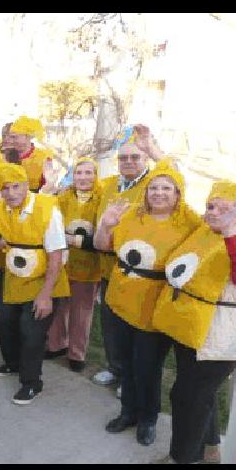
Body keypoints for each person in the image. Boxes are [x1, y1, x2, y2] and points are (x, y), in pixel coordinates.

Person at [94, 159, 201, 446]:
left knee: (147, 367)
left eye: (167, 188)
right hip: (120, 299)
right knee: (125, 363)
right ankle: (127, 412)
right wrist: (106, 225)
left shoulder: (191, 224)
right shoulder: (131, 216)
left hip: (154, 305)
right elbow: (102, 245)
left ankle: (148, 419)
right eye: (154, 187)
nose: (159, 192)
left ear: (178, 194)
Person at [151, 182, 236, 464]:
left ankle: (181, 458)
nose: (215, 213)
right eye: (211, 206)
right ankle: (209, 449)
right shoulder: (206, 233)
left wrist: (232, 230)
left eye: (225, 208)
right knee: (201, 396)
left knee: (187, 398)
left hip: (219, 340)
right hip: (190, 329)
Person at [0, 163, 70, 405]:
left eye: (16, 186)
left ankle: (32, 382)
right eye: (5, 188)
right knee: (4, 324)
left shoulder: (47, 208)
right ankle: (12, 364)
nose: (11, 192)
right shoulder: (0, 209)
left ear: (26, 186)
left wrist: (46, 295)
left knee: (32, 331)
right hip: (15, 276)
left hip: (45, 279)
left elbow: (56, 255)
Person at [92, 125, 169, 388]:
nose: (128, 162)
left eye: (135, 157)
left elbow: (173, 174)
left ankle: (131, 379)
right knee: (111, 323)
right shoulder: (110, 185)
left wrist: (151, 147)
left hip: (140, 273)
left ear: (145, 159)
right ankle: (116, 368)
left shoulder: (153, 185)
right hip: (108, 267)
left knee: (135, 327)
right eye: (123, 157)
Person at [45, 158, 101, 372]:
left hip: (88, 265)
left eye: (88, 173)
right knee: (58, 307)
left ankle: (77, 353)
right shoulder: (63, 197)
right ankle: (56, 344)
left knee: (81, 312)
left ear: (95, 176)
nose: (83, 177)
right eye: (79, 173)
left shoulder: (101, 197)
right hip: (62, 263)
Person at [8, 116, 54, 193]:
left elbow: (49, 183)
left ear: (27, 136)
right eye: (11, 137)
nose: (11, 141)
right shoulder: (6, 155)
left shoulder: (43, 156)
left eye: (15, 137)